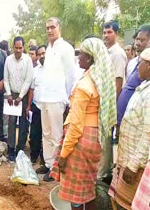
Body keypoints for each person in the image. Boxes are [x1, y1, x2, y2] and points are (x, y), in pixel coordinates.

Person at [50, 37, 117, 210]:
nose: (78, 57)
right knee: (88, 188)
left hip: (81, 140)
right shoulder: (99, 80)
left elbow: (76, 126)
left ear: (90, 58)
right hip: (94, 138)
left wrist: (64, 155)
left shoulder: (84, 86)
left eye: (81, 54)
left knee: (76, 194)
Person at [109, 48, 150, 210]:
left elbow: (148, 135)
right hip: (127, 159)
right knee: (119, 201)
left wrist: (132, 167)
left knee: (128, 205)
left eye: (140, 63)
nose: (137, 67)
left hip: (136, 166)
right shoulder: (144, 86)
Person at [36, 17, 75, 182]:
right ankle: (48, 162)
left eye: (52, 27)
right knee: (46, 133)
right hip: (45, 98)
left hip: (57, 98)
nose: (49, 30)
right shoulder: (48, 49)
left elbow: (70, 76)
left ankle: (55, 168)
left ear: (59, 28)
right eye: (47, 28)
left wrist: (66, 98)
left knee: (57, 134)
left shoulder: (65, 48)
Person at [116, 25, 150, 142]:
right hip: (125, 119)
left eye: (142, 40)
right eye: (137, 39)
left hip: (138, 124)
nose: (137, 43)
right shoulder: (134, 63)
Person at [4, 36, 33, 162]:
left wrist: (21, 97)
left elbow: (28, 79)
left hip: (23, 96)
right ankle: (11, 149)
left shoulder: (28, 60)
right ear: (13, 47)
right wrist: (9, 95)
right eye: (16, 47)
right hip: (11, 96)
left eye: (20, 48)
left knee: (23, 124)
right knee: (11, 123)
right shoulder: (8, 60)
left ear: (23, 47)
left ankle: (20, 149)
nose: (18, 50)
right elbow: (5, 78)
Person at [26, 44, 47, 164]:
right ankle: (34, 156)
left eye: (44, 53)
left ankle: (46, 160)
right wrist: (29, 106)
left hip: (49, 107)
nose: (42, 56)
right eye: (39, 54)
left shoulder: (54, 70)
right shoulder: (35, 71)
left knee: (48, 135)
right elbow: (32, 90)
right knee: (34, 133)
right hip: (37, 106)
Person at [103, 21, 128, 99]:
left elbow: (118, 80)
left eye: (109, 32)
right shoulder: (105, 52)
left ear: (116, 34)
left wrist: (114, 103)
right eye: (104, 33)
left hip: (112, 98)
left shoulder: (118, 54)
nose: (106, 35)